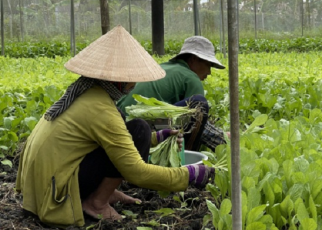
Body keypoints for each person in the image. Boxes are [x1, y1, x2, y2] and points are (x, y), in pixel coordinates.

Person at [15, 26, 215, 228]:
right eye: (133, 78)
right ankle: (96, 202)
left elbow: (109, 139)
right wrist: (189, 175)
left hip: (42, 186)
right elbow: (137, 172)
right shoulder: (101, 109)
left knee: (139, 129)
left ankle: (103, 192)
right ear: (120, 80)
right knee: (138, 131)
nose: (135, 84)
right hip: (56, 194)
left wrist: (158, 137)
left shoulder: (88, 93)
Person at [117, 35, 228, 151]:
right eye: (208, 65)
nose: (209, 72)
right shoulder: (191, 78)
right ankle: (189, 158)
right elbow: (197, 120)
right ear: (193, 59)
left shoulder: (163, 67)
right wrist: (224, 138)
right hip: (142, 128)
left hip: (122, 125)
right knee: (199, 104)